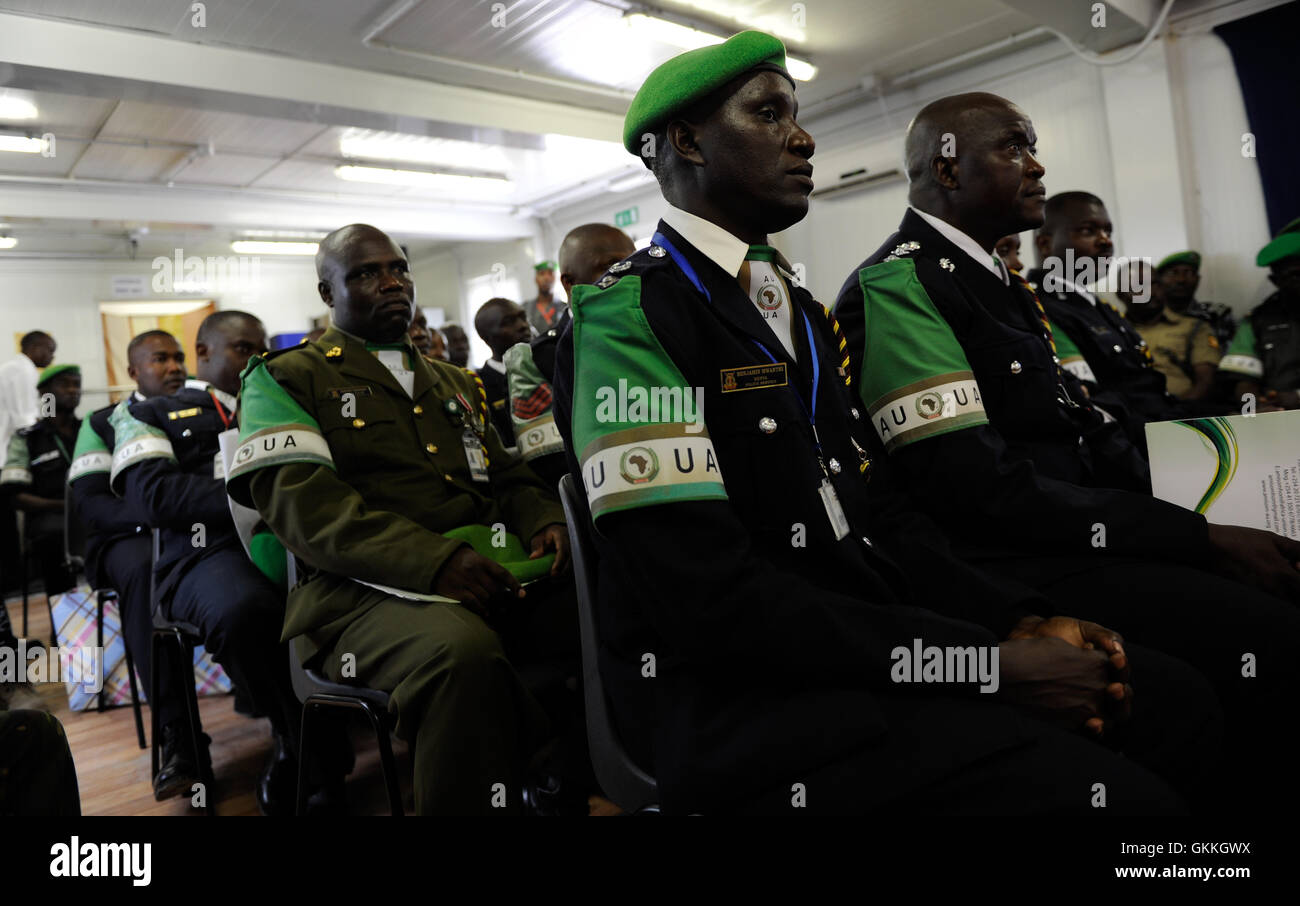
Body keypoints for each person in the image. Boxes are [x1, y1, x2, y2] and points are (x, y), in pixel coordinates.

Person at [551, 33, 1220, 816]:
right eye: (769, 114)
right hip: (758, 705)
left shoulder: (792, 308)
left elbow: (881, 514)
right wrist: (984, 666)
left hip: (869, 647)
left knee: (1174, 699)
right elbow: (711, 604)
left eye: (797, 115)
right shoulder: (627, 320)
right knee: (1136, 801)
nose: (803, 137)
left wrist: (1016, 619)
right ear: (688, 142)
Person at [832, 90, 1300, 810]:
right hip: (1013, 559)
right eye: (1014, 147)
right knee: (1264, 635)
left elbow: (1089, 426)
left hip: (1075, 528)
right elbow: (975, 486)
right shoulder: (900, 283)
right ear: (948, 171)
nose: (1037, 165)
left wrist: (1209, 481)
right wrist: (1194, 533)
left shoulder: (1004, 284)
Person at [226, 224, 579, 815]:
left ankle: (565, 781)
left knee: (607, 604)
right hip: (359, 595)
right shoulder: (286, 378)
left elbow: (509, 479)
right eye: (365, 273)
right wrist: (435, 561)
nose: (391, 283)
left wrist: (545, 518)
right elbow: (306, 509)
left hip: (486, 572)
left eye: (398, 269)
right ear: (326, 292)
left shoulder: (456, 382)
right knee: (458, 655)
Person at [110, 311, 322, 814]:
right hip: (208, 553)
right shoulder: (152, 414)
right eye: (245, 349)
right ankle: (300, 744)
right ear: (204, 353)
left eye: (263, 347)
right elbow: (152, 496)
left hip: (300, 541)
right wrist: (255, 495)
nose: (258, 358)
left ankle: (339, 720)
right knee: (243, 611)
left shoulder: (285, 398)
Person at [68, 329, 195, 799]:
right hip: (130, 539)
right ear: (133, 371)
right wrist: (157, 514)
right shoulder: (102, 421)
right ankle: (178, 737)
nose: (174, 366)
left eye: (179, 357)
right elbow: (91, 503)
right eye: (160, 358)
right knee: (146, 571)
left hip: (199, 533)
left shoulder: (203, 409)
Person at [1026, 191, 1198, 428]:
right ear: (1045, 244)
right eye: (1089, 230)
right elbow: (1092, 406)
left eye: (1108, 231)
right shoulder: (1040, 308)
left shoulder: (1097, 305)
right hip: (1135, 448)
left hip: (1163, 428)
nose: (1106, 240)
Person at [505, 223, 636, 485]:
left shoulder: (657, 329)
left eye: (632, 263)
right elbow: (551, 459)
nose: (629, 274)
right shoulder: (538, 358)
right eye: (610, 265)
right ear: (570, 283)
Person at [1, 363, 81, 602]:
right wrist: (62, 507)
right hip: (51, 519)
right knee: (55, 539)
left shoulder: (91, 430)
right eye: (65, 384)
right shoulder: (27, 439)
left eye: (77, 384)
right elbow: (14, 496)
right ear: (46, 394)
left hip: (91, 513)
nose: (73, 390)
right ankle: (66, 621)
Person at [1218, 219, 1300, 410]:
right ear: (1275, 280)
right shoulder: (1257, 320)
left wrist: (1297, 397)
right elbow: (1242, 381)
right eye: (1294, 275)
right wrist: (1254, 408)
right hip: (1280, 418)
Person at [0, 331, 55, 599]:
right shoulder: (22, 372)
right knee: (9, 524)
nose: (52, 356)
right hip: (6, 454)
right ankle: (16, 580)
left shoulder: (13, 369)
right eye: (49, 349)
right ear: (34, 347)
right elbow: (26, 419)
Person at [1126, 264, 1224, 400]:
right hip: (1129, 413)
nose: (1150, 292)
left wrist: (1174, 413)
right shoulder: (1111, 331)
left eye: (1155, 284)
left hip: (1183, 410)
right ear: (1121, 293)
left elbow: (1205, 382)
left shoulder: (1195, 327)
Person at [473, 298, 532, 446]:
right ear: (486, 337)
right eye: (508, 322)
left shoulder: (546, 365)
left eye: (523, 317)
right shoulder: (479, 385)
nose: (523, 326)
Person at [1156, 250, 1235, 347]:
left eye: (1189, 273)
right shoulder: (1147, 317)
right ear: (1158, 280)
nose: (1181, 280)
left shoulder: (1216, 315)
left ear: (1198, 279)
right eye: (1173, 273)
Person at [523, 261, 567, 335]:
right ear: (536, 279)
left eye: (550, 273)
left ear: (555, 279)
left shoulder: (565, 308)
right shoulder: (525, 308)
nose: (546, 278)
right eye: (542, 274)